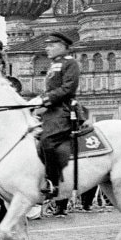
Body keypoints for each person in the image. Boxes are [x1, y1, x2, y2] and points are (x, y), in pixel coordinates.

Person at [30, 32, 81, 205]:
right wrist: (37, 102)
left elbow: (67, 88)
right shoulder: (54, 65)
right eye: (47, 45)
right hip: (51, 111)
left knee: (47, 140)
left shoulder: (71, 63)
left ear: (62, 46)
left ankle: (53, 183)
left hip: (64, 111)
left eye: (51, 45)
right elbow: (51, 89)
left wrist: (45, 99)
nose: (47, 48)